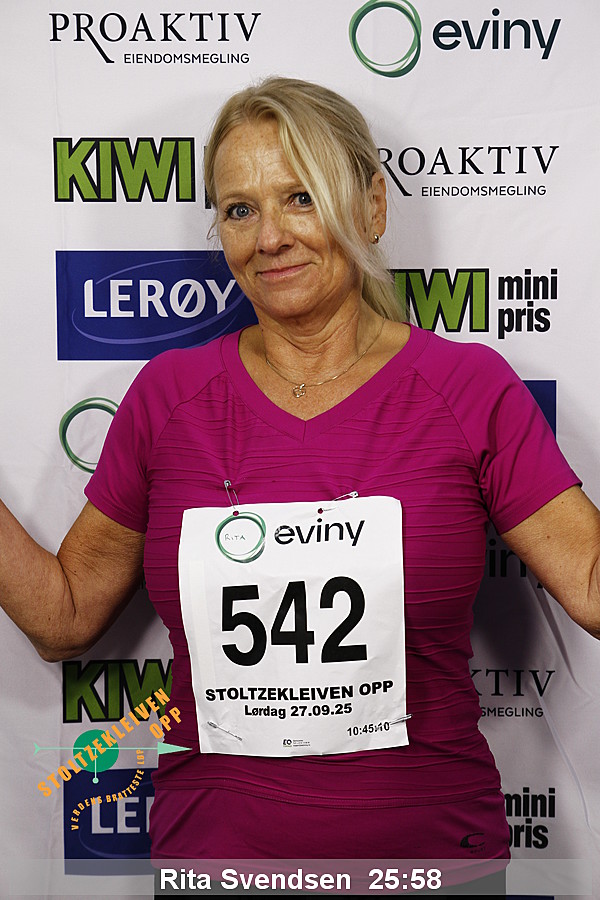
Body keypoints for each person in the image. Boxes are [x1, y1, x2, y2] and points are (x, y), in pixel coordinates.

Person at [1, 77, 599, 892]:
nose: (271, 237)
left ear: (372, 207)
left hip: (433, 862)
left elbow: (590, 585)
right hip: (216, 864)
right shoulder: (169, 396)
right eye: (239, 210)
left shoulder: (469, 388)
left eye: (301, 197)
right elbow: (63, 617)